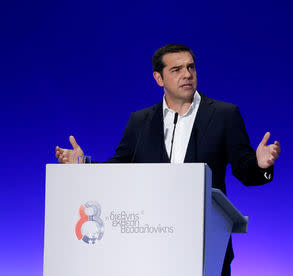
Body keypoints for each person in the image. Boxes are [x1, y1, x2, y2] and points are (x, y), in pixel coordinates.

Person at [55, 43, 281, 276]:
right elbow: (118, 170)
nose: (187, 74)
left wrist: (261, 166)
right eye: (177, 69)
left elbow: (245, 171)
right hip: (151, 246)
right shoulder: (140, 121)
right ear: (158, 78)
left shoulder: (224, 114)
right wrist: (83, 165)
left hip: (207, 245)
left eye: (191, 67)